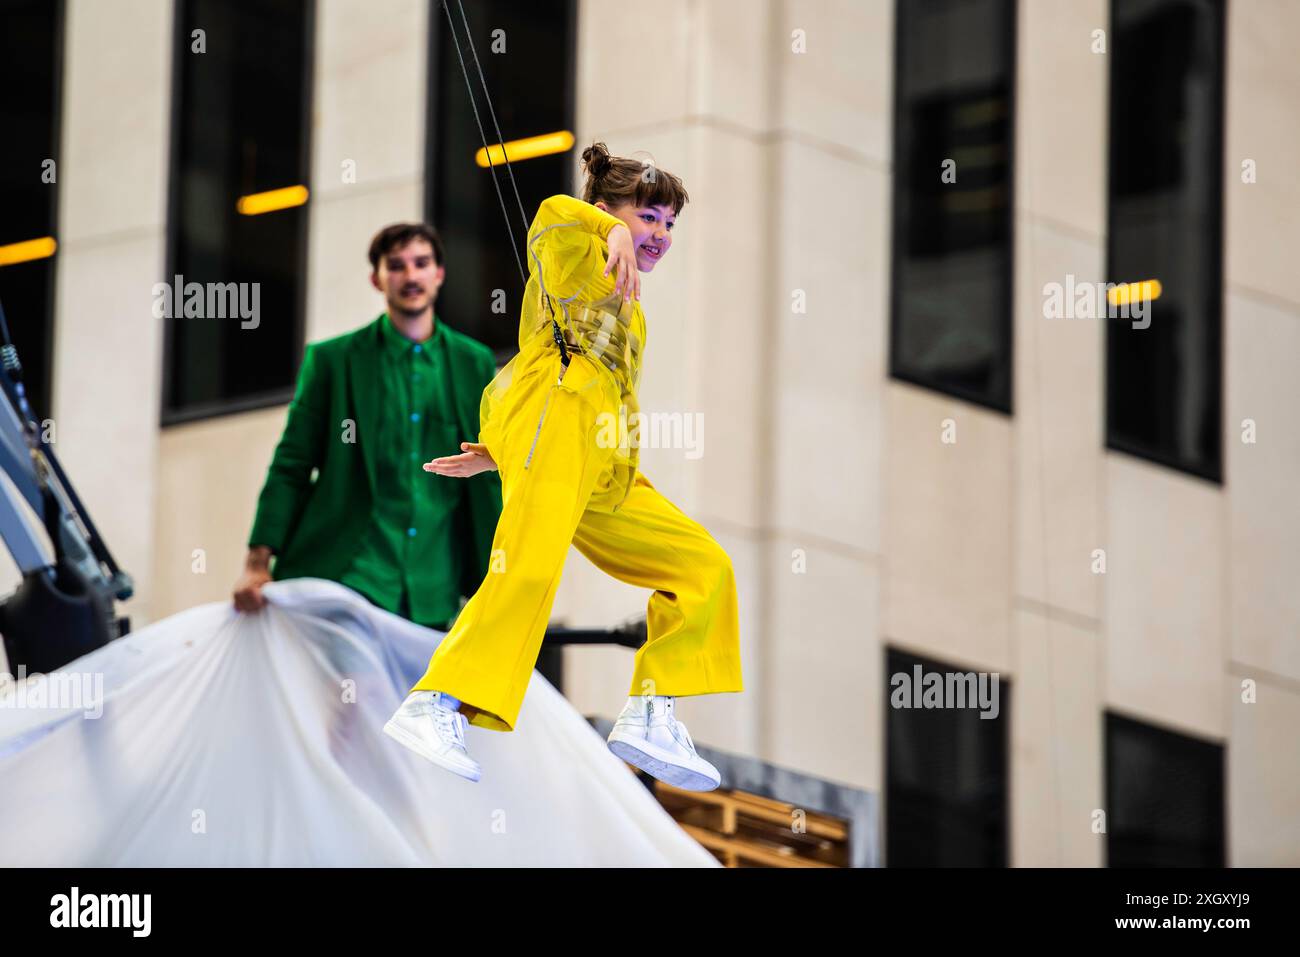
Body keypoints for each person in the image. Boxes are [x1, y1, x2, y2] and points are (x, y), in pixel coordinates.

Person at [383, 143, 744, 791]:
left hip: (604, 458)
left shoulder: (631, 306)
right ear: (606, 211)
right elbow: (553, 215)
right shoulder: (573, 247)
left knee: (704, 566)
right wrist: (608, 231)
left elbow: (595, 392)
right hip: (562, 419)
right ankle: (435, 702)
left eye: (668, 224)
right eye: (648, 218)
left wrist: (499, 448)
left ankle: (650, 710)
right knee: (528, 564)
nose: (660, 234)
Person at [234, 224, 502, 630]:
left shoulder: (474, 363)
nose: (410, 276)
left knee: (420, 694)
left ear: (439, 274)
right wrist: (257, 564)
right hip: (350, 575)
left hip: (437, 586)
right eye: (396, 266)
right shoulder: (333, 361)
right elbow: (291, 464)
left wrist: (501, 574)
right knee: (351, 693)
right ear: (377, 279)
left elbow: (491, 474)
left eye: (421, 263)